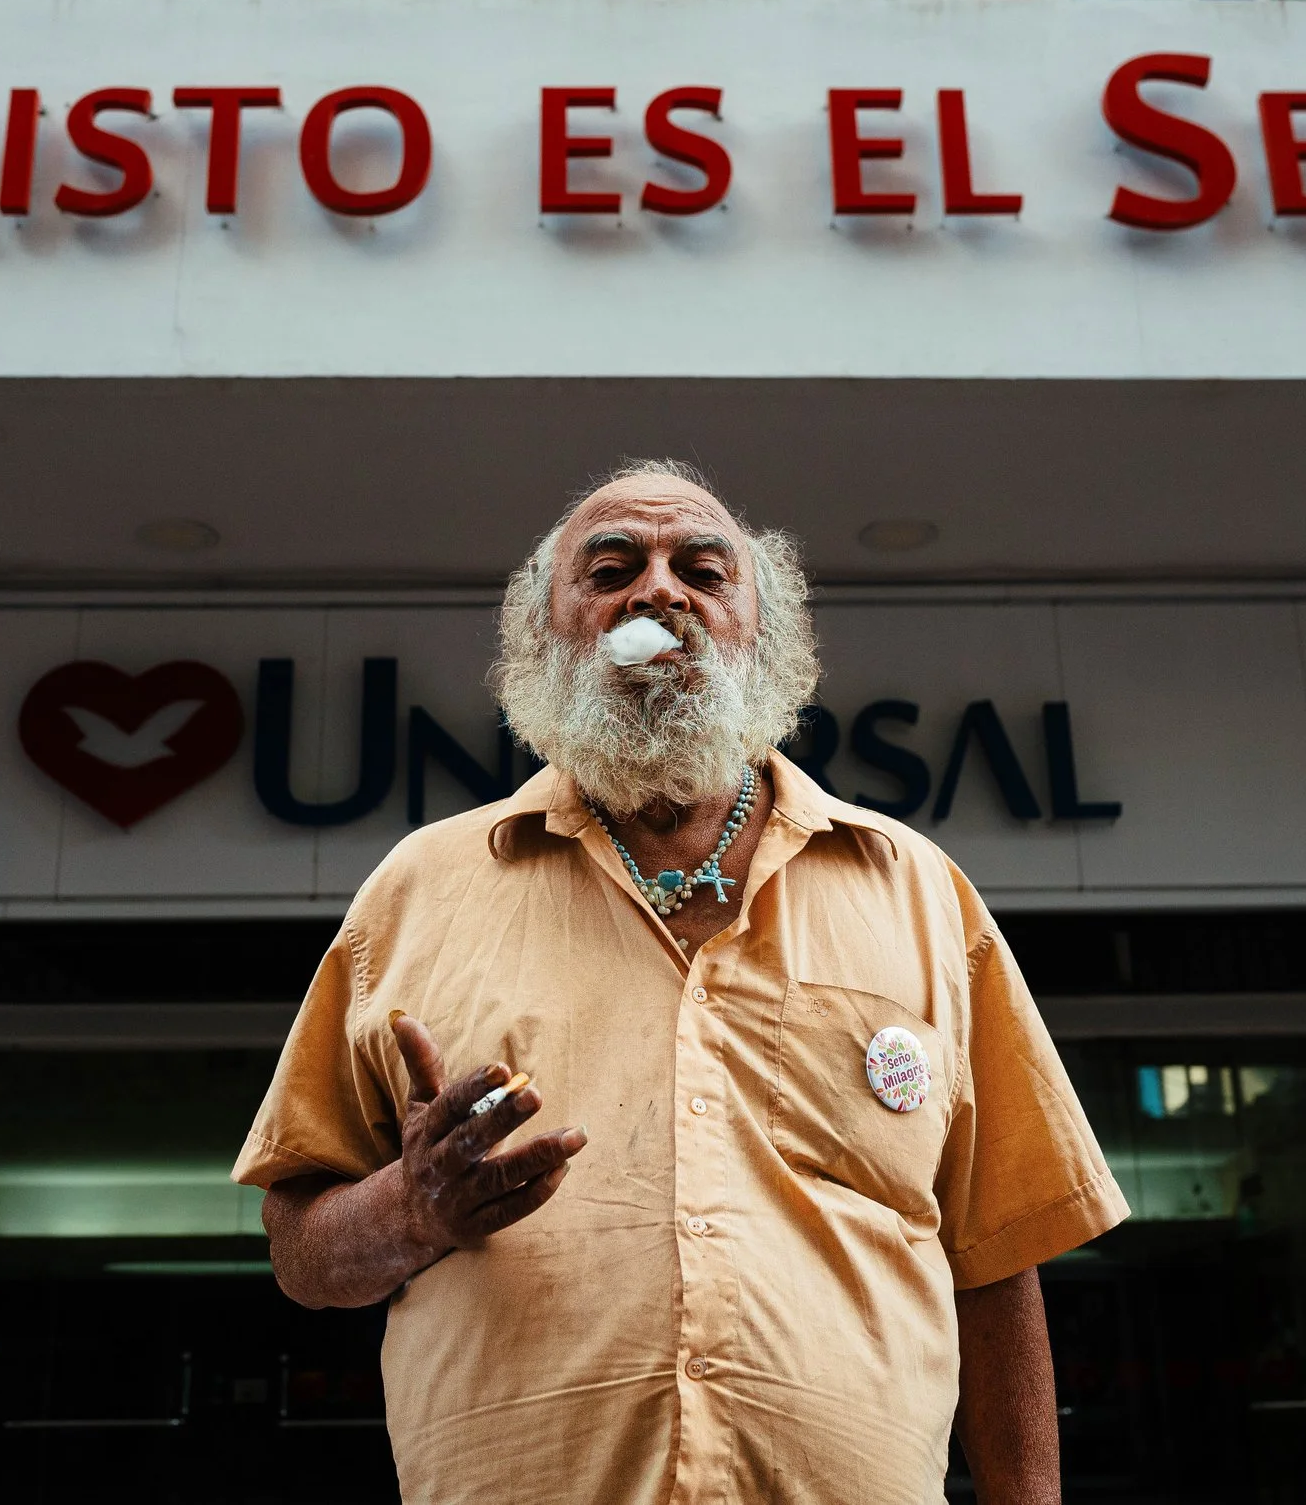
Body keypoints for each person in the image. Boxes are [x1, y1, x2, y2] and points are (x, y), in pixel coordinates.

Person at [234, 461, 1128, 1504]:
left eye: (702, 570)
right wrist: (411, 1208)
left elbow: (993, 1253)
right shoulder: (415, 891)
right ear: (544, 633)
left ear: (764, 633)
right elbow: (300, 1249)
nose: (658, 592)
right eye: (610, 568)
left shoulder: (919, 889)